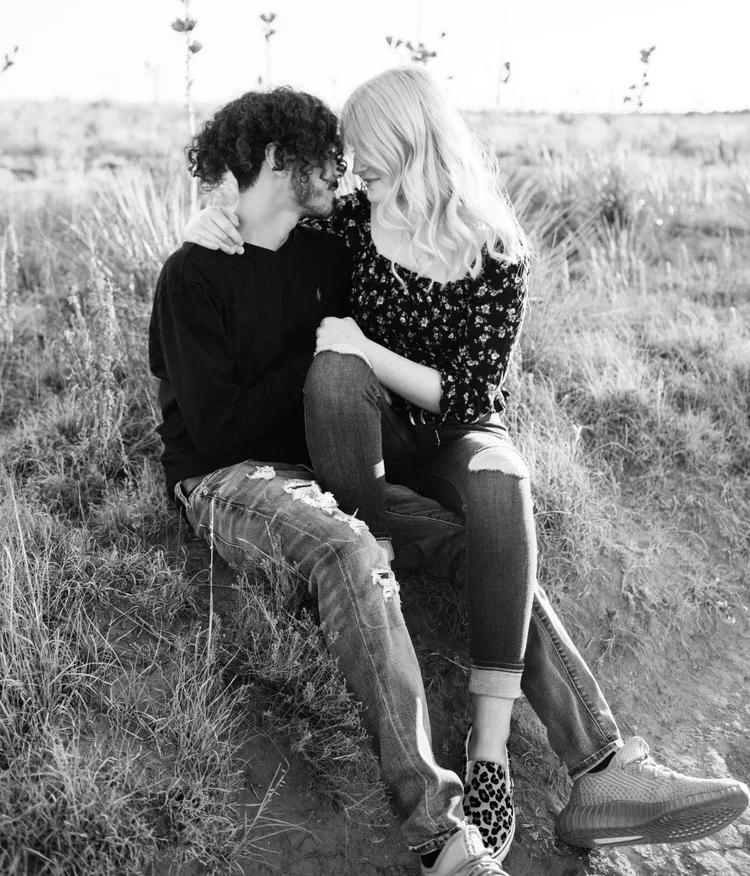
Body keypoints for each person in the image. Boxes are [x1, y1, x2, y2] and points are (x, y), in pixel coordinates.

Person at [163, 80, 748, 875]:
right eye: (329, 164)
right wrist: (209, 232)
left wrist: (348, 351)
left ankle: (600, 770)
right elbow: (217, 430)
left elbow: (444, 371)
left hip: (355, 458)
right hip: (245, 476)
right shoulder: (201, 268)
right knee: (351, 532)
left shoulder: (332, 241)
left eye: (354, 160)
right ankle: (442, 835)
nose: (342, 173)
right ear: (276, 162)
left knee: (488, 534)